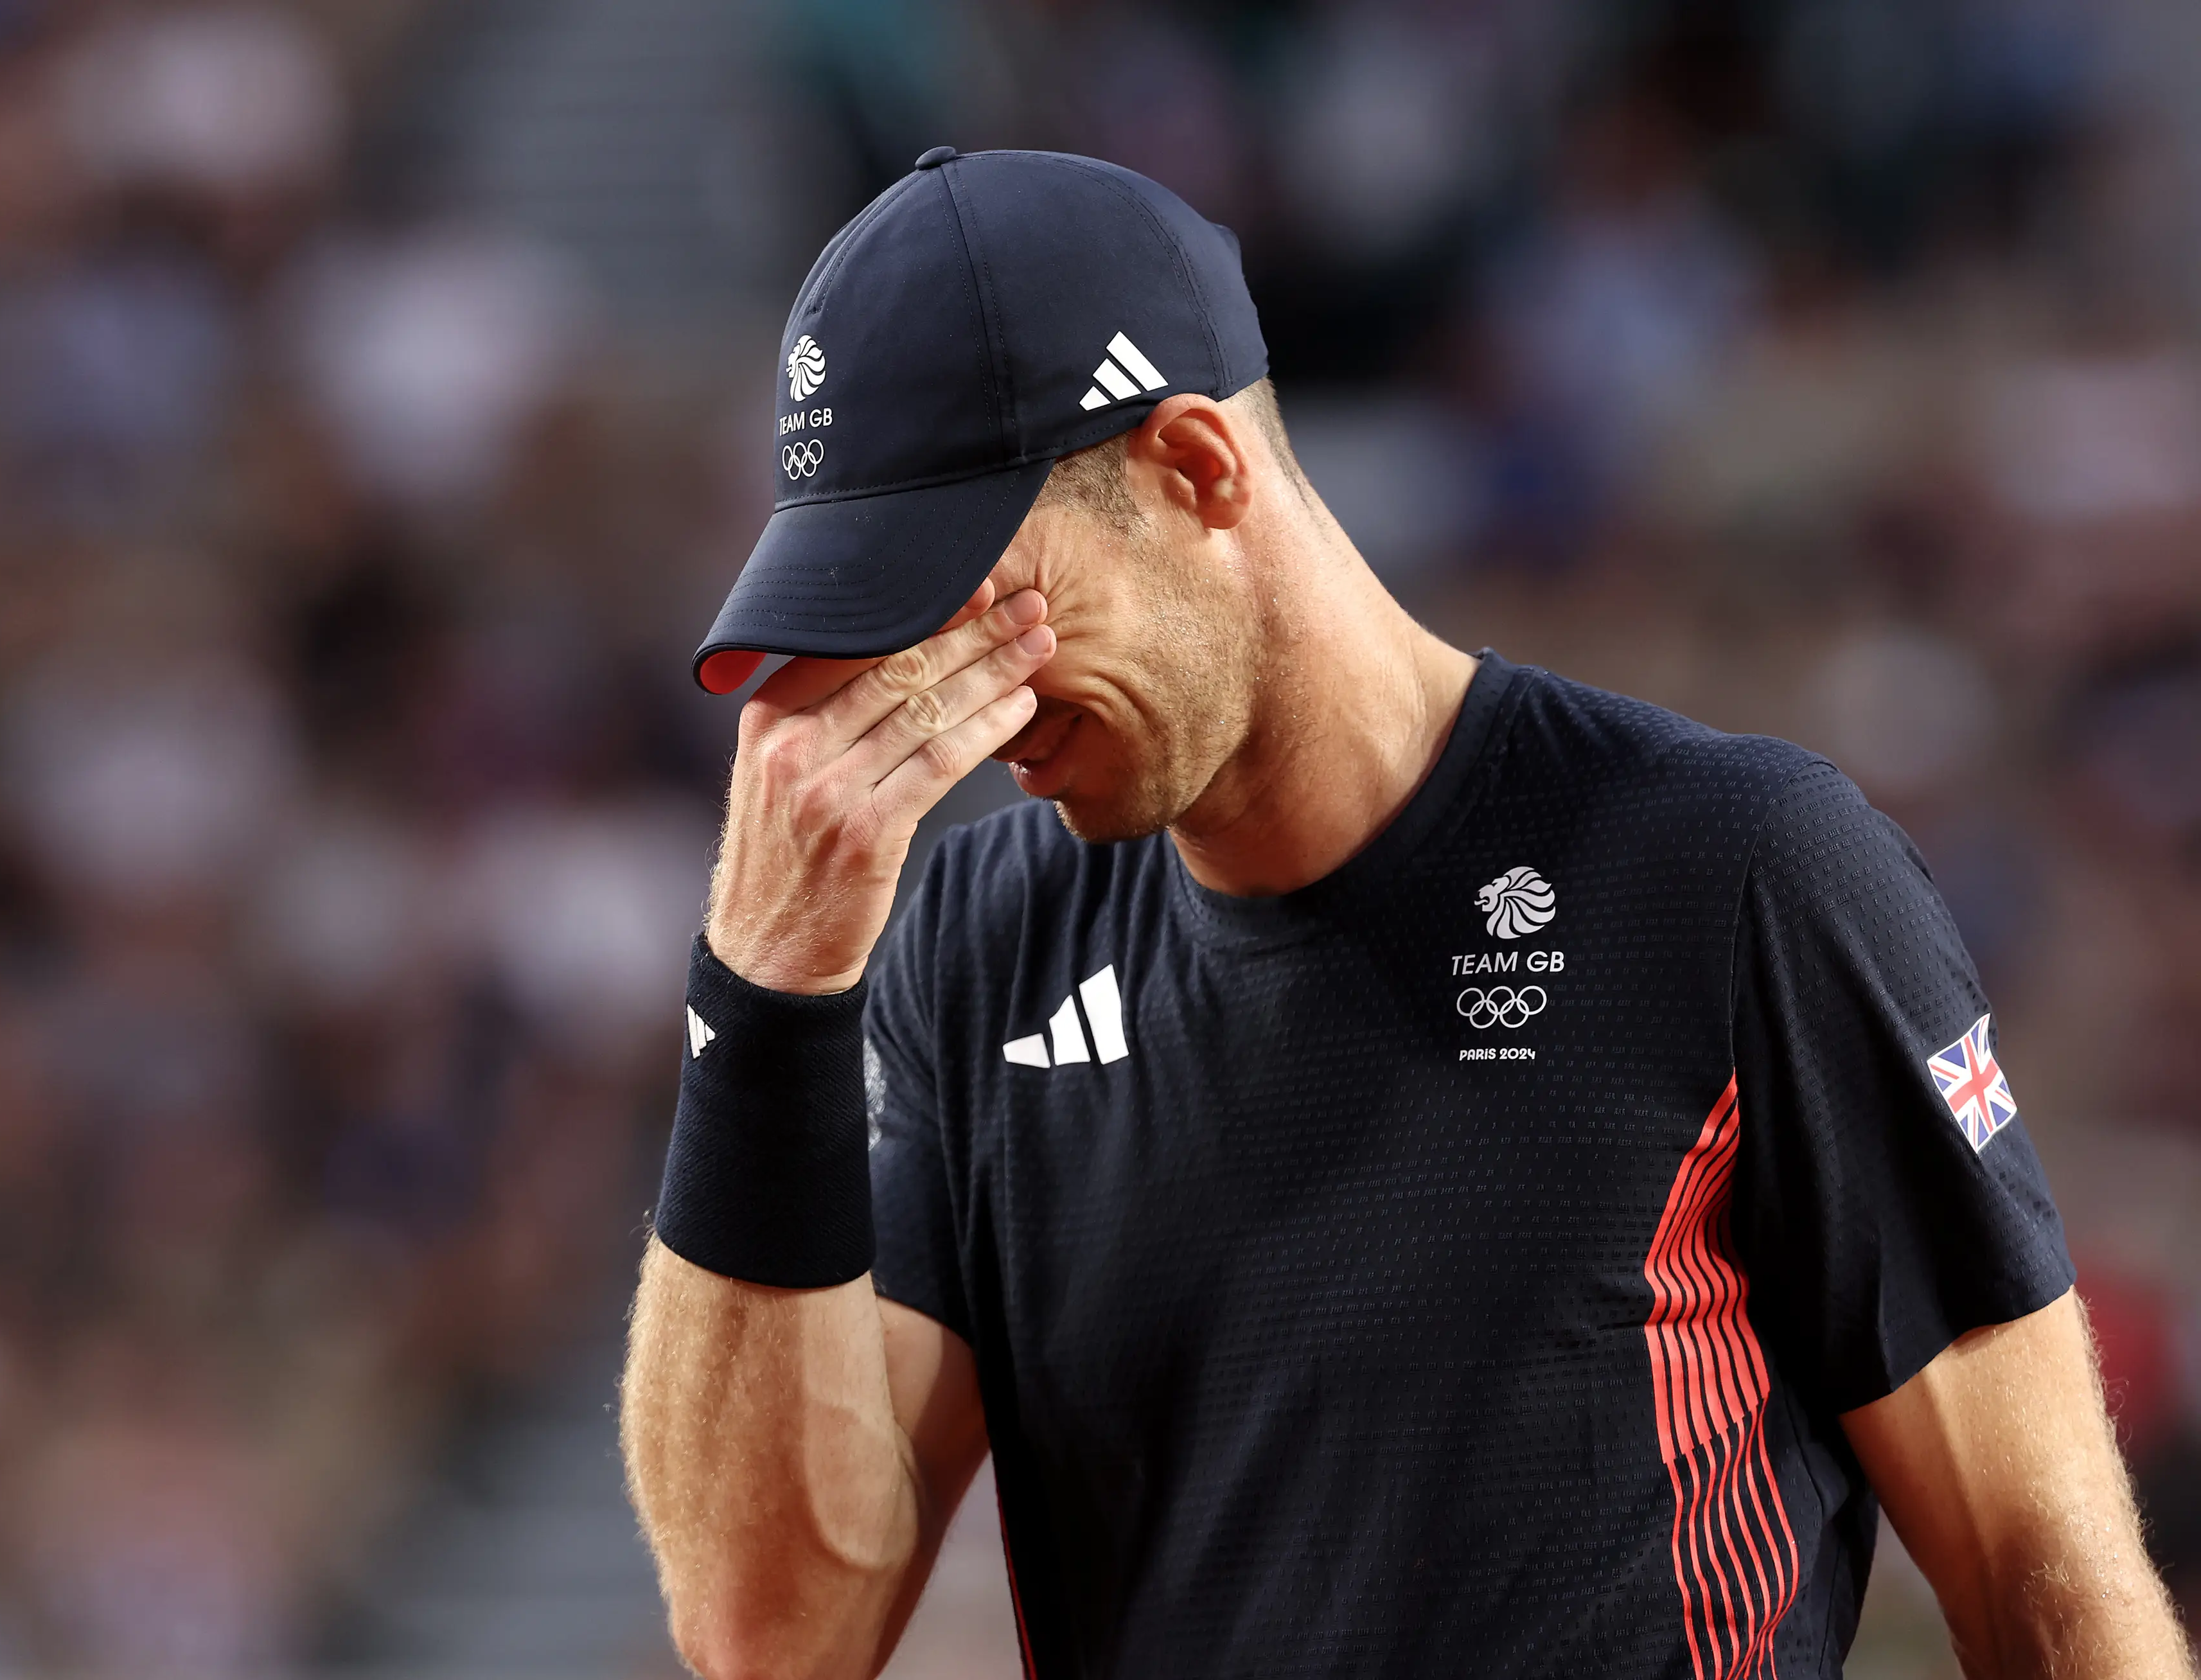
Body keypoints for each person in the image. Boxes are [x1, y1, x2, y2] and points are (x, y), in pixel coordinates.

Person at [620, 148, 2193, 1680]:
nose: (941, 696)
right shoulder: (971, 950)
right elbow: (771, 1636)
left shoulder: (1737, 870)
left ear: (1194, 469)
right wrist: (763, 1001)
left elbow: (2043, 1575)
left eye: (969, 602)